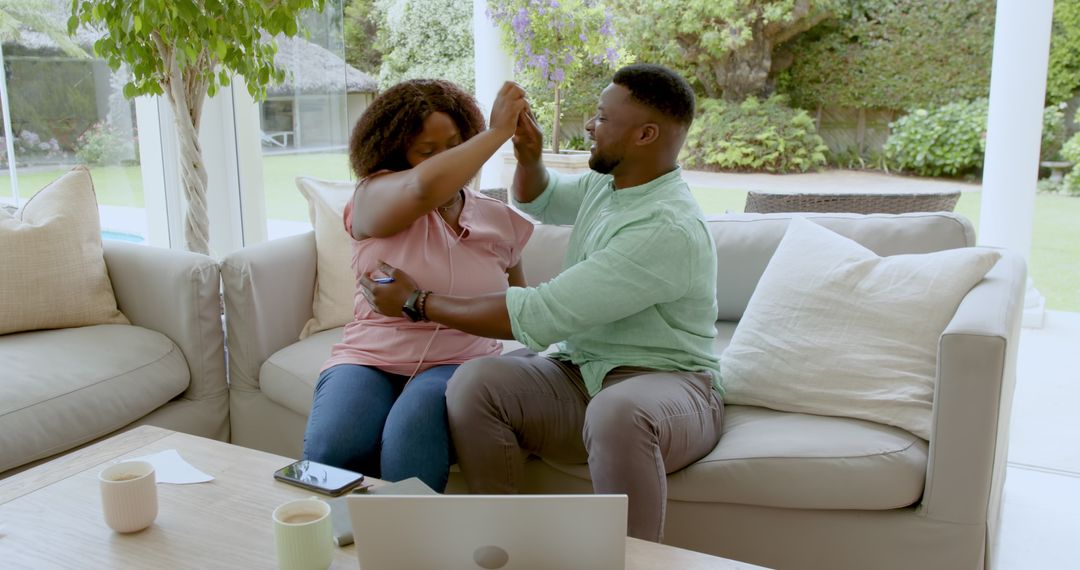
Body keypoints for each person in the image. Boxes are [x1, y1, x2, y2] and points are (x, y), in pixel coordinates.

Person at [360, 64, 724, 541]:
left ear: (645, 134)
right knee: (476, 382)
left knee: (617, 411)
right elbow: (542, 200)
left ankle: (632, 561)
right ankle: (506, 543)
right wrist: (528, 158)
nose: (590, 126)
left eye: (601, 118)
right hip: (584, 374)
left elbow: (540, 314)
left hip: (669, 385)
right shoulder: (612, 184)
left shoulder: (665, 228)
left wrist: (417, 301)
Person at [301, 79, 535, 492]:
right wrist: (497, 132)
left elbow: (516, 312)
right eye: (427, 152)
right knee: (331, 446)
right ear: (397, 154)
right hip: (368, 357)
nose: (447, 161)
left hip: (458, 363)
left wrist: (417, 301)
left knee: (409, 440)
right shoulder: (374, 198)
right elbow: (423, 186)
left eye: (455, 144)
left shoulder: (500, 219)